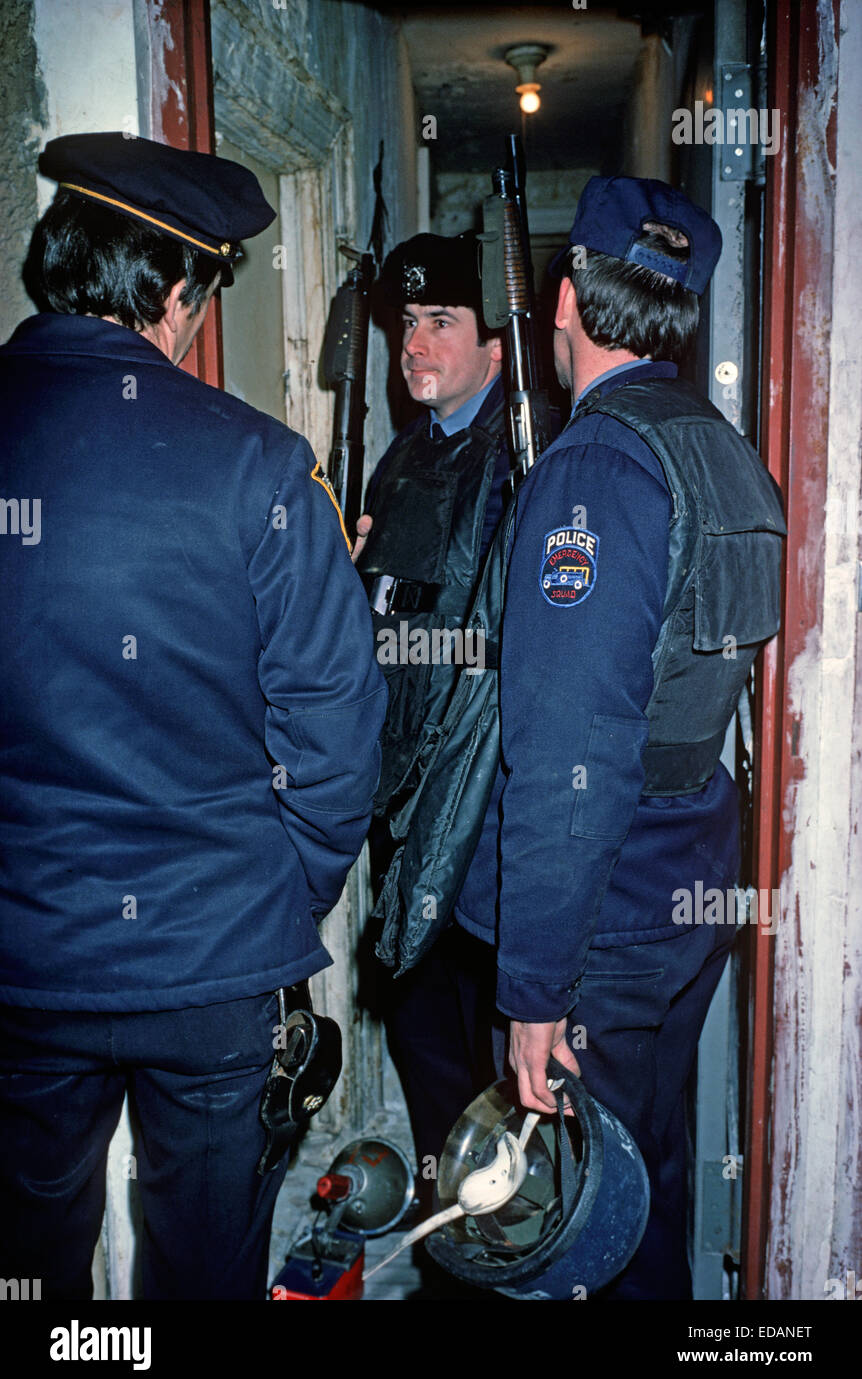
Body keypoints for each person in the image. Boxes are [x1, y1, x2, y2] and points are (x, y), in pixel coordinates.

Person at [0, 132, 387, 1301]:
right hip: (213, 964)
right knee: (203, 1268)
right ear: (174, 292)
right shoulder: (259, 466)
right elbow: (336, 732)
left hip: (21, 957)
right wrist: (275, 895)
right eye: (202, 297)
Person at [450, 176, 786, 1299]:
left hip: (609, 903)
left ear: (562, 298)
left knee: (588, 1225)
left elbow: (566, 754)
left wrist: (534, 990)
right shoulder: (725, 449)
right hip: (691, 878)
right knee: (649, 1181)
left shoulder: (595, 467)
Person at [353, 233, 516, 1214]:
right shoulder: (403, 456)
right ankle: (448, 1240)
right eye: (406, 323)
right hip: (403, 806)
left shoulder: (528, 463)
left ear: (495, 346)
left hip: (483, 818)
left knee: (493, 1079)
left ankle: (496, 1245)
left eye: (440, 322)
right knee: (424, 1055)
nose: (415, 344)